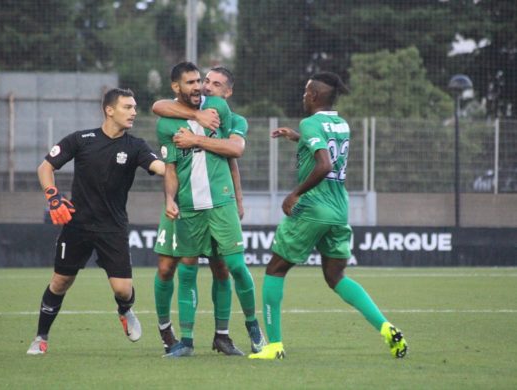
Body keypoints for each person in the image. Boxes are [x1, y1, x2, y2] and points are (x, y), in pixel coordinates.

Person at [248, 72, 408, 360]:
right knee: (335, 276)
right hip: (338, 209)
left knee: (275, 269)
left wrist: (295, 193)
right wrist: (296, 138)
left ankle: (273, 346)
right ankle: (386, 328)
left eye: (306, 91)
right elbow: (325, 148)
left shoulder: (310, 122)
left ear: (315, 96)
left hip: (313, 207)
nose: (303, 95)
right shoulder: (341, 124)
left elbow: (324, 163)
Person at [26, 88, 165, 355]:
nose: (134, 112)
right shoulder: (81, 139)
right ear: (109, 110)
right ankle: (40, 337)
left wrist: (174, 164)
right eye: (127, 107)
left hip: (113, 227)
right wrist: (53, 197)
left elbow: (158, 167)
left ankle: (125, 310)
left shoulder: (135, 146)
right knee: (60, 282)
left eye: (135, 107)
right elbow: (45, 167)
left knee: (123, 290)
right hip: (77, 226)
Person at [156, 62, 265, 358]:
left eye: (204, 82)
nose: (201, 86)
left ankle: (252, 328)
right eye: (196, 81)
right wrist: (170, 199)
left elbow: (235, 152)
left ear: (226, 92)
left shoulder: (221, 110)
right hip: (190, 206)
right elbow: (171, 167)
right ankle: (187, 341)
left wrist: (194, 139)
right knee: (185, 269)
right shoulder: (167, 122)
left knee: (234, 267)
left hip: (221, 202)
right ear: (178, 87)